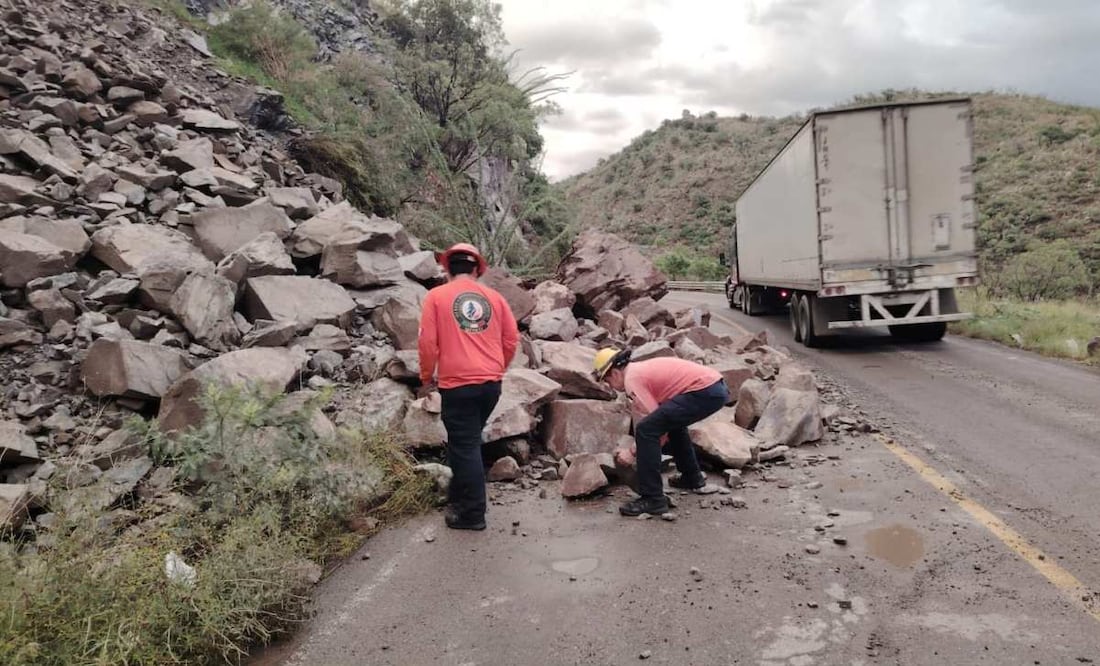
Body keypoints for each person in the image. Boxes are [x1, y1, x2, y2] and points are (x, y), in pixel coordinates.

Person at [418, 243, 519, 531]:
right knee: (467, 442)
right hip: (490, 384)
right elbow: (511, 340)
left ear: (448, 268)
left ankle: (472, 514)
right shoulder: (495, 298)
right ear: (477, 269)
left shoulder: (436, 297)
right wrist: (498, 367)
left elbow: (427, 343)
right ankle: (459, 496)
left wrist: (426, 377)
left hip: (458, 384)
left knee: (465, 444)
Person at [593, 348, 729, 516]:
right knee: (672, 425)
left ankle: (653, 499)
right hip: (714, 388)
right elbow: (659, 419)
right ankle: (692, 478)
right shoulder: (639, 370)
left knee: (646, 430)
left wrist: (632, 452)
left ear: (614, 373)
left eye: (607, 381)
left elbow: (651, 425)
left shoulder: (632, 379)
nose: (609, 386)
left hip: (704, 390)